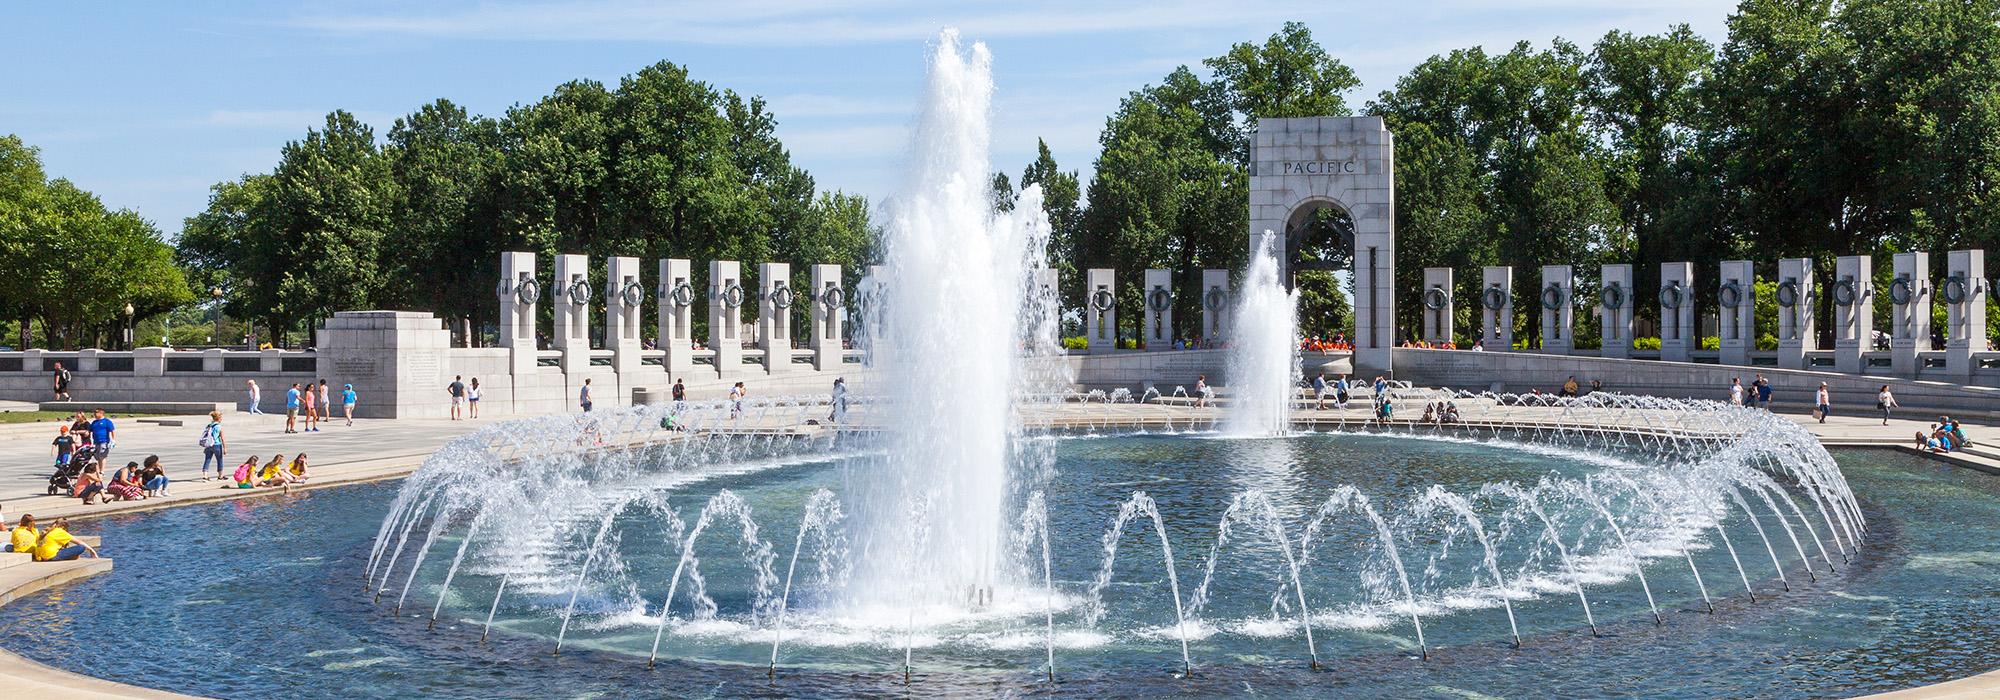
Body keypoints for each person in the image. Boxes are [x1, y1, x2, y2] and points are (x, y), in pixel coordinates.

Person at [199, 411, 226, 481]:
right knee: (219, 460)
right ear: (219, 418)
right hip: (217, 445)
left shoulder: (209, 425)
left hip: (208, 445)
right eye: (221, 418)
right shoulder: (219, 427)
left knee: (207, 459)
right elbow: (222, 438)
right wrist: (225, 448)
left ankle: (205, 475)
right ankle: (220, 476)